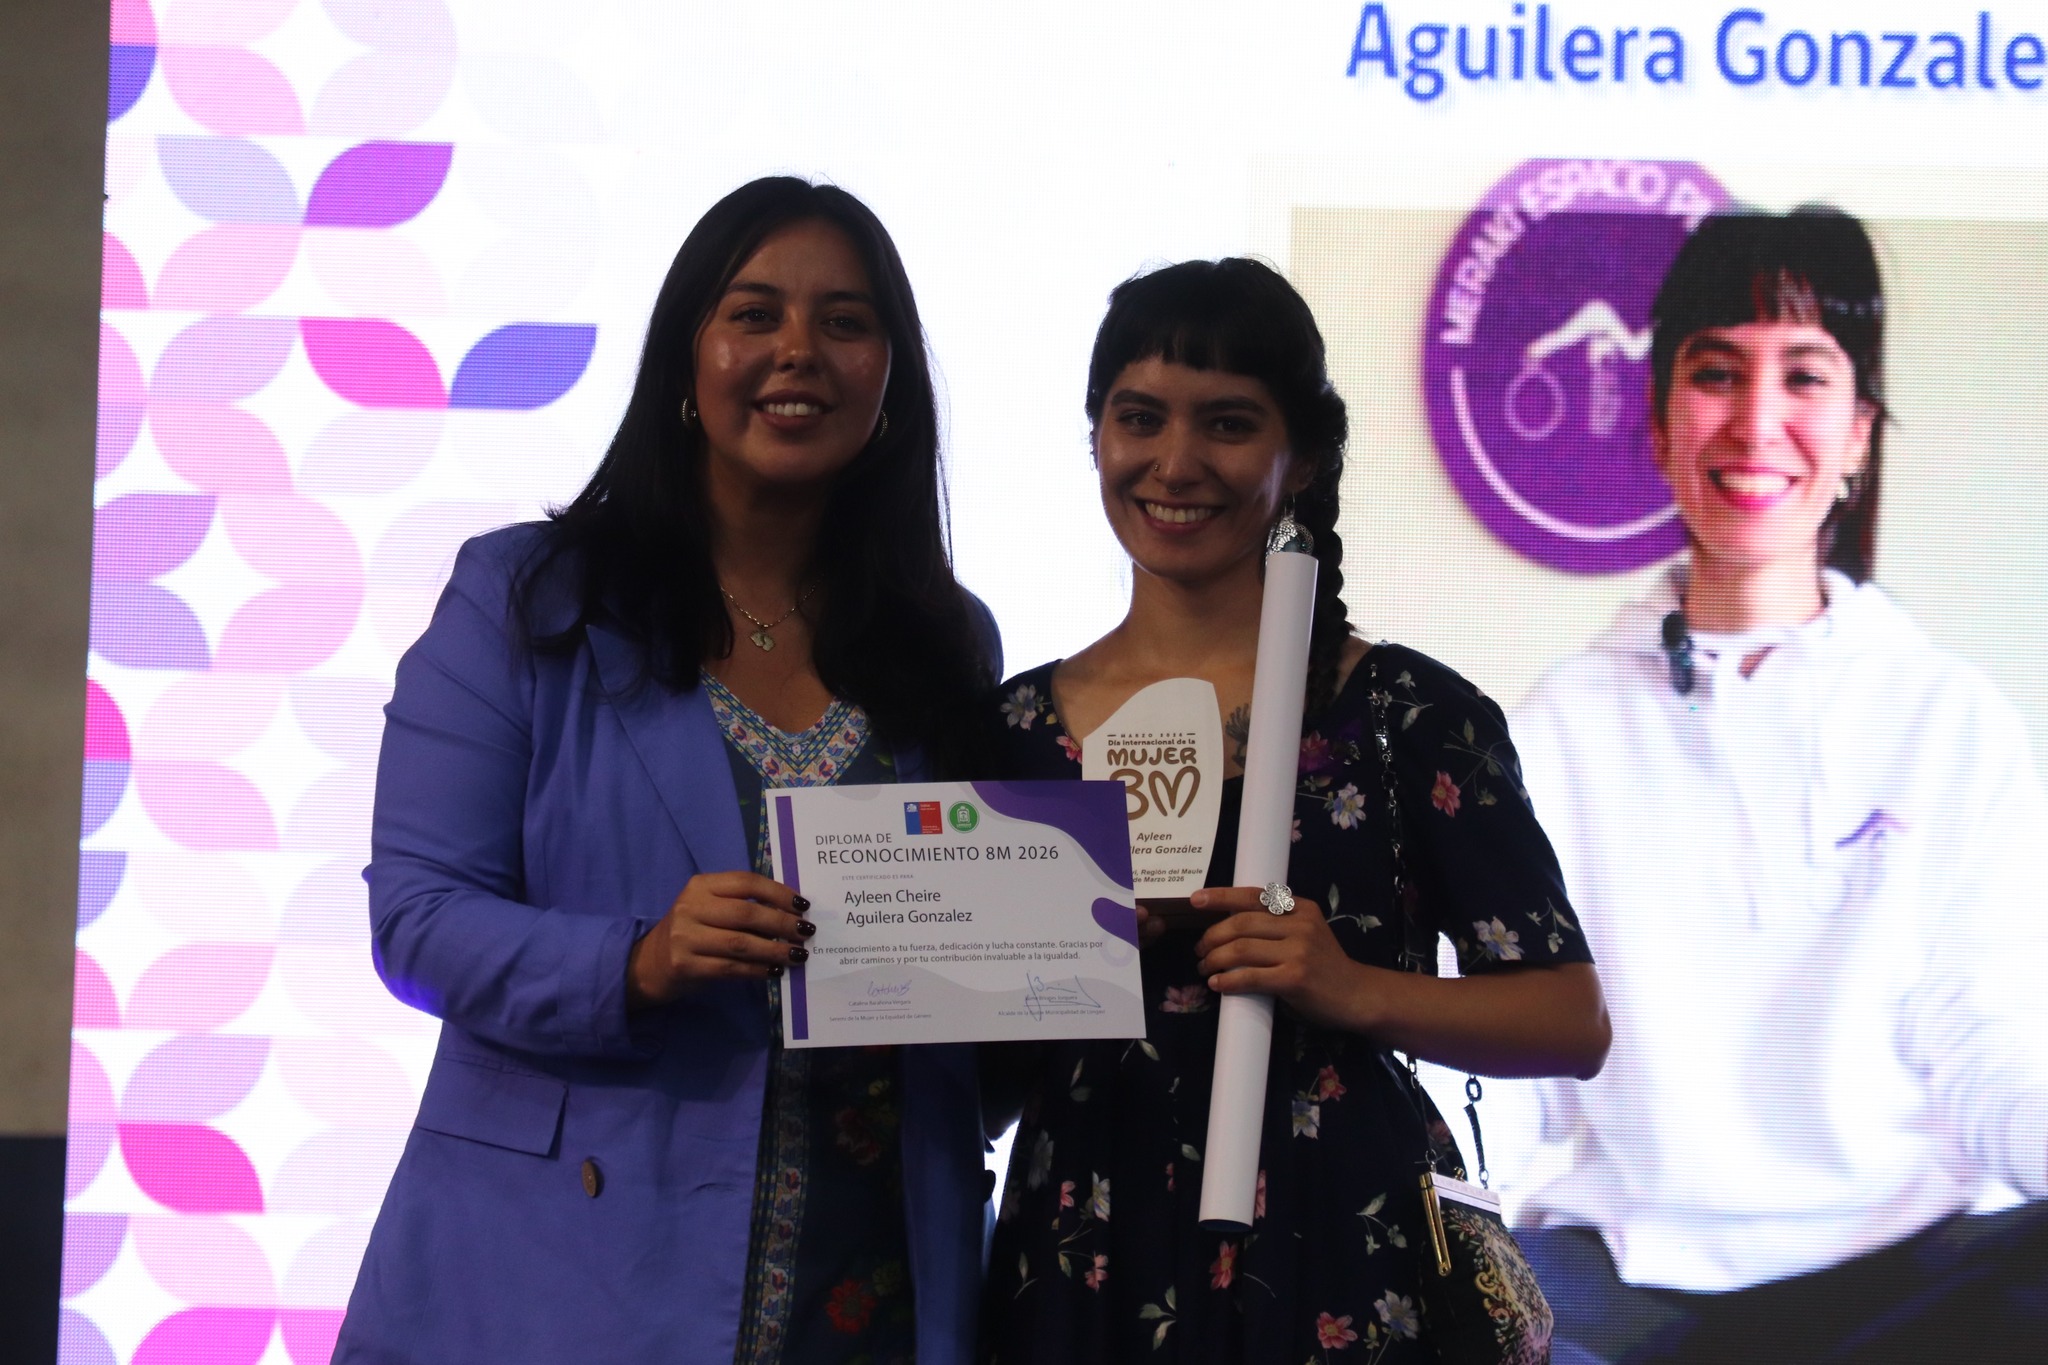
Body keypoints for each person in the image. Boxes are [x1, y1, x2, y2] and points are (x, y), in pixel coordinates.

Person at [336, 177, 1000, 1365]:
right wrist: (636, 960)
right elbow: (417, 920)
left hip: (864, 1283)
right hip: (558, 1279)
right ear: (686, 360)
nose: (798, 350)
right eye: (753, 314)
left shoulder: (946, 640)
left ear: (890, 379)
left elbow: (954, 957)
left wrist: (1065, 950)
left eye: (845, 322)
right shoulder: (526, 599)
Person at [979, 258, 1610, 1363]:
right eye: (1139, 418)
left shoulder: (1407, 713)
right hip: (1084, 1252)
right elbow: (977, 1082)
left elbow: (1569, 1019)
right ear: (1096, 436)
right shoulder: (1014, 732)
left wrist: (1349, 986)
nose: (1176, 463)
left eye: (1227, 423)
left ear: (1304, 457)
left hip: (1337, 1251)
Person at [1508, 207, 2048, 1362]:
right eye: (1714, 374)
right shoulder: (1550, 731)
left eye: (1801, 376)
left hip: (1911, 1270)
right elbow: (1513, 1069)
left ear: (1856, 435)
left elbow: (1986, 1039)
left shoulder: (1947, 719)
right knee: (1422, 1299)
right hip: (1633, 1277)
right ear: (1658, 425)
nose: (1755, 421)